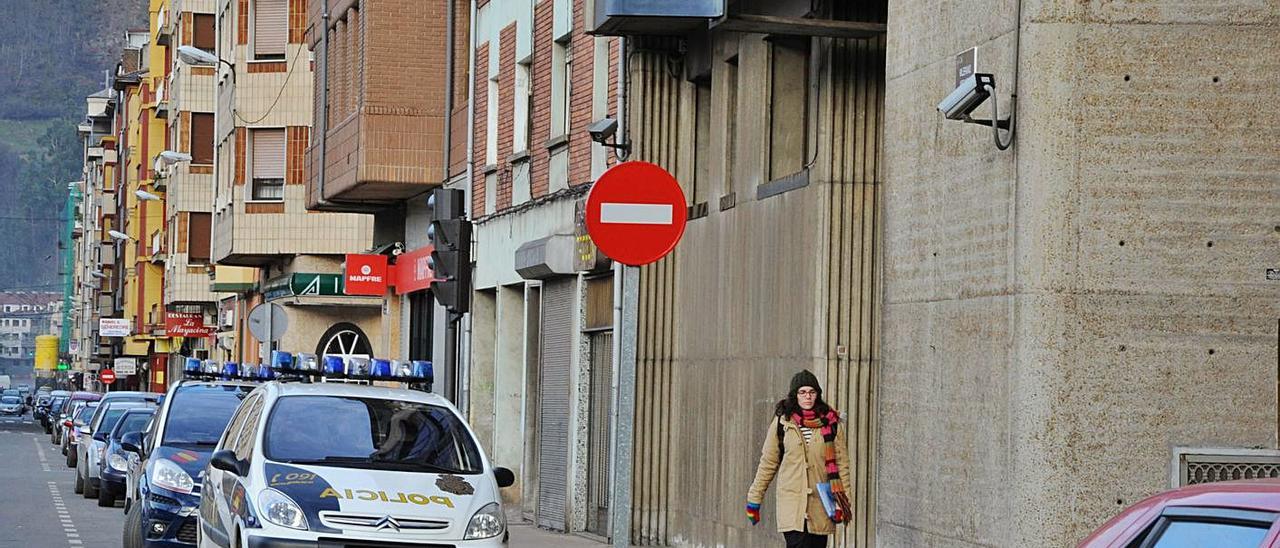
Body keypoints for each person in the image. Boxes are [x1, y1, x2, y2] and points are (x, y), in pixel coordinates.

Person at [746, 370, 853, 548]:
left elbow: (842, 466)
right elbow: (768, 462)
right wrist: (754, 498)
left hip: (821, 506)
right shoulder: (783, 422)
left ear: (817, 395)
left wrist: (844, 502)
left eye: (812, 392)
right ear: (795, 395)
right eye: (802, 392)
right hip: (792, 504)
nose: (807, 397)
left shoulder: (831, 424)